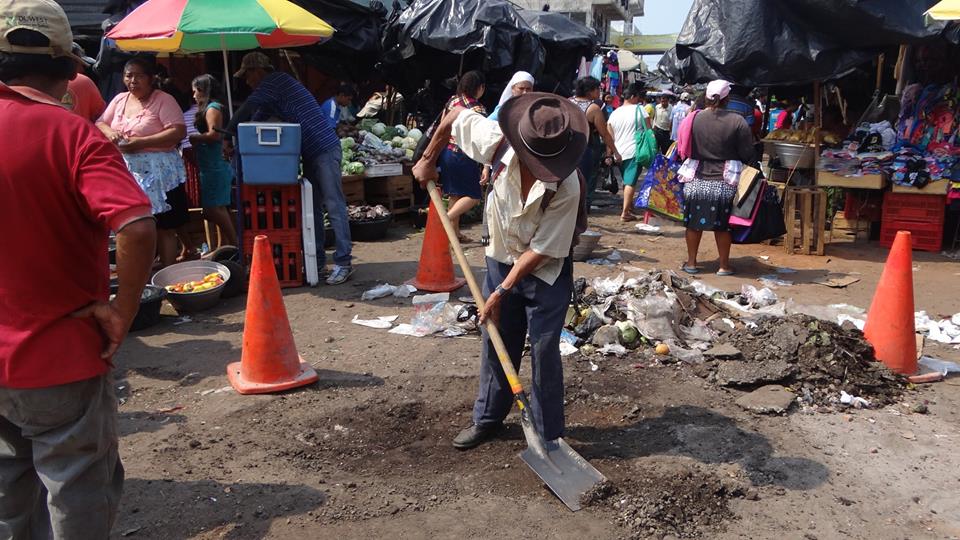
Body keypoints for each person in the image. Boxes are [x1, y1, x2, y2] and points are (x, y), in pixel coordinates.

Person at [0, 1, 157, 536]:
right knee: (75, 488)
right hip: (58, 353)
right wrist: (123, 311)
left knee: (7, 493)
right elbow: (136, 226)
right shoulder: (74, 135)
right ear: (70, 70)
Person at [412, 92, 585, 449]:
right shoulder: (499, 143)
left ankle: (547, 434)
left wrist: (500, 291)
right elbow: (454, 114)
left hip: (545, 271)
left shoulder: (568, 186)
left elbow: (540, 250)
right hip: (500, 256)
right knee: (496, 341)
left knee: (544, 348)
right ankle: (487, 418)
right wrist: (428, 159)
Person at [226, 52, 353, 285]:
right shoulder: (272, 95)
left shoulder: (275, 81)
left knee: (334, 205)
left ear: (259, 71)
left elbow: (248, 108)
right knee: (312, 208)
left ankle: (344, 262)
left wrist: (226, 132)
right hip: (308, 152)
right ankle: (318, 263)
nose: (247, 81)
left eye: (248, 75)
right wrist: (238, 142)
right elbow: (255, 120)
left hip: (324, 149)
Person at [97, 57, 194, 268]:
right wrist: (111, 133)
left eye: (139, 76)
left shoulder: (164, 99)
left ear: (150, 78)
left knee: (165, 226)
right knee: (135, 222)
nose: (133, 80)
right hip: (128, 171)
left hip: (161, 173)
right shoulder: (119, 99)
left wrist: (140, 142)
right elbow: (101, 122)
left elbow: (178, 131)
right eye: (128, 75)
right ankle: (143, 272)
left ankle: (167, 277)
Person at [679, 80, 755, 276]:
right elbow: (747, 152)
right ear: (727, 98)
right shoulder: (737, 121)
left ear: (706, 96)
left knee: (693, 223)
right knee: (722, 225)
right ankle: (723, 266)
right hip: (724, 181)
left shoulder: (693, 118)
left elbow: (682, 147)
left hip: (694, 178)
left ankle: (691, 262)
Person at [188, 74, 238, 248]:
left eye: (196, 91)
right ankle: (226, 245)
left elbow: (214, 134)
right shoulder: (210, 108)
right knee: (219, 208)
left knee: (213, 209)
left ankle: (235, 243)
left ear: (204, 91)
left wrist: (194, 138)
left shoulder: (212, 108)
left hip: (215, 165)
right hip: (209, 165)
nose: (194, 96)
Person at [438, 70, 486, 243]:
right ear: (479, 88)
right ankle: (444, 220)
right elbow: (481, 137)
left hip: (447, 153)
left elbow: (442, 125)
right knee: (474, 196)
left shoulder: (452, 101)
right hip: (464, 155)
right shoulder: (477, 108)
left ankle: (454, 234)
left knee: (454, 194)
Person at [569, 77, 620, 208]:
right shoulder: (593, 109)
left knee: (568, 182)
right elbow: (605, 134)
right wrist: (615, 152)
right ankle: (581, 211)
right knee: (585, 182)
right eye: (598, 89)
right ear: (589, 91)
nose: (600, 92)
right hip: (585, 150)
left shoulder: (568, 102)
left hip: (567, 149)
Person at [606, 83, 651, 222]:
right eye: (637, 96)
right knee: (630, 182)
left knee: (627, 181)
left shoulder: (614, 113)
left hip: (618, 152)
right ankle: (625, 213)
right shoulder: (640, 110)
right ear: (632, 96)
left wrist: (609, 154)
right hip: (634, 151)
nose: (638, 99)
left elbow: (609, 135)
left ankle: (629, 207)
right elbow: (649, 130)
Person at [61, 43, 105, 121]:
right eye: (79, 63)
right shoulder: (84, 81)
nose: (82, 69)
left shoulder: (38, 83)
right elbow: (100, 116)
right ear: (72, 62)